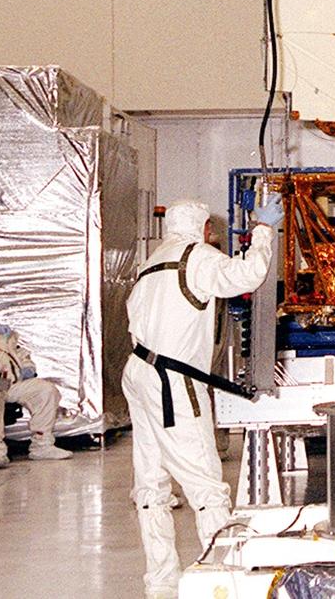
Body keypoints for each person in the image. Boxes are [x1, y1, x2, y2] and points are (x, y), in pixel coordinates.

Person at [124, 197, 283, 599]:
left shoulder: (151, 262)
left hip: (140, 372)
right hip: (171, 382)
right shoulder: (196, 257)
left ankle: (160, 581)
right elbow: (246, 275)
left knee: (151, 486)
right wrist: (264, 230)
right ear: (203, 229)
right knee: (206, 484)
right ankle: (223, 579)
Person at [0, 306, 71, 470]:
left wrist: (28, 368)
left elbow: (21, 354)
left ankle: (42, 444)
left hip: (10, 384)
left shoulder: (1, 338)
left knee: (45, 389)